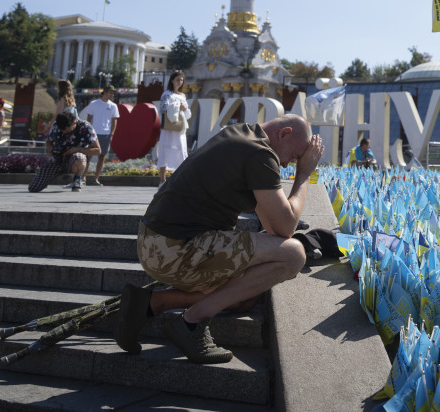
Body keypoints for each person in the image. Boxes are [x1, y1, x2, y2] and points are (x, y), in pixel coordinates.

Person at [114, 114, 321, 364]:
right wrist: (304, 174)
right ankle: (191, 323)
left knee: (246, 295)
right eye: (295, 156)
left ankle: (150, 303)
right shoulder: (259, 154)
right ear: (284, 133)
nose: (289, 163)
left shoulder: (242, 134)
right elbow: (286, 228)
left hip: (154, 242)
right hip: (174, 249)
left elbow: (273, 227)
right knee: (293, 255)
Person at [28, 110, 100, 193]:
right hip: (58, 159)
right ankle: (51, 177)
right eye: (61, 129)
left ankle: (77, 180)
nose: (63, 131)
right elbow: (48, 142)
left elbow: (97, 150)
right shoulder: (55, 125)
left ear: (74, 123)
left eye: (65, 129)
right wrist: (51, 150)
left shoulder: (85, 127)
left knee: (79, 157)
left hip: (75, 159)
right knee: (33, 188)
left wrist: (76, 150)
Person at [156, 71, 191, 186]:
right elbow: (163, 108)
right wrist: (176, 106)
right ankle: (162, 179)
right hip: (168, 127)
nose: (179, 82)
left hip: (179, 127)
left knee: (181, 150)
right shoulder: (167, 94)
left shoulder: (182, 96)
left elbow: (188, 115)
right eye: (177, 80)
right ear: (172, 80)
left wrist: (184, 108)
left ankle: (180, 179)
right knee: (165, 150)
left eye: (181, 80)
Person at [83, 86, 120, 185]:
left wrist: (112, 133)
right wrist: (88, 132)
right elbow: (89, 119)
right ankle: (83, 178)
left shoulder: (113, 106)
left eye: (113, 93)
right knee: (89, 155)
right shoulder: (94, 104)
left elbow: (114, 121)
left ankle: (96, 179)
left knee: (102, 156)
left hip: (106, 134)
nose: (112, 95)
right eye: (111, 93)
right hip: (94, 133)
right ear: (105, 92)